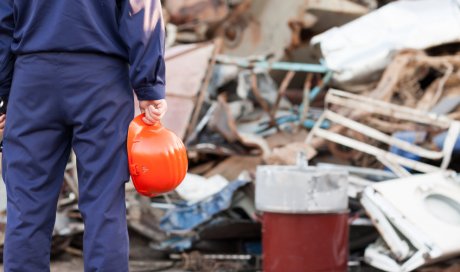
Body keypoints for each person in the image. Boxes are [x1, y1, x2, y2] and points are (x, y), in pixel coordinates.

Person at [0, 0, 167, 271]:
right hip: (102, 82)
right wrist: (149, 87)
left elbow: (3, 21)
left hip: (32, 83)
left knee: (26, 206)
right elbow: (142, 11)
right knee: (104, 203)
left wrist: (3, 94)